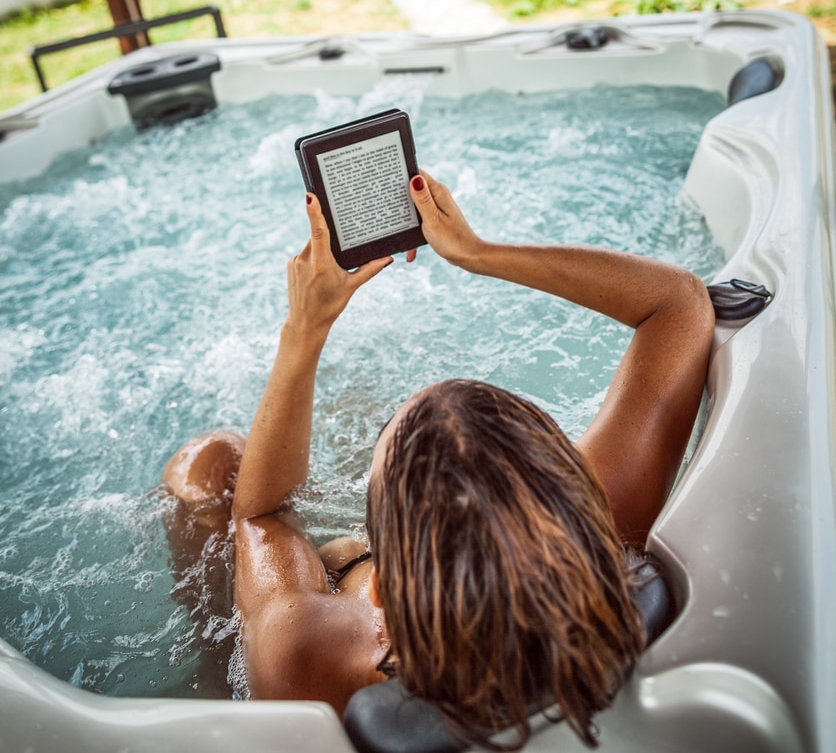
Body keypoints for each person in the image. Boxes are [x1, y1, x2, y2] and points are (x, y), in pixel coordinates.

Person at [162, 170, 715, 748]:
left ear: (382, 591)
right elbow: (678, 301)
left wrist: (304, 330)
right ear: (571, 484)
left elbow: (260, 514)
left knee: (208, 466)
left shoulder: (309, 653)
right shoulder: (607, 519)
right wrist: (477, 252)